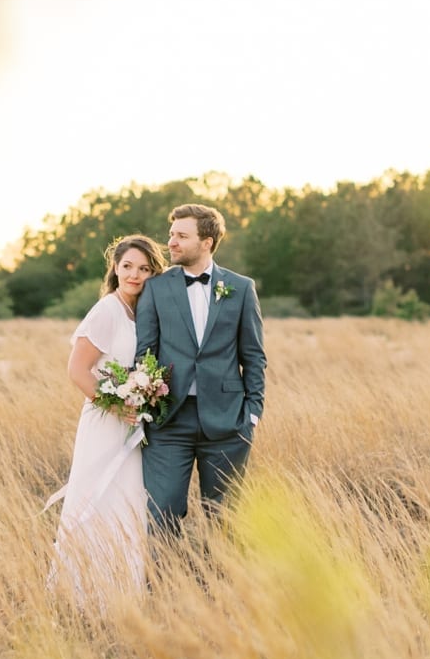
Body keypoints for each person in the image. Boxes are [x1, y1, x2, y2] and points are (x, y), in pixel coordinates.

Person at [45, 234, 168, 605]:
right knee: (96, 499)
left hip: (132, 422)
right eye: (127, 266)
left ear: (153, 273)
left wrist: (145, 392)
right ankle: (83, 594)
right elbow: (78, 369)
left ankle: (120, 594)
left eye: (144, 268)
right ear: (115, 268)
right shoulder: (108, 310)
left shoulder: (140, 311)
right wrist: (116, 404)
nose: (134, 275)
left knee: (126, 502)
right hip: (105, 422)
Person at [133, 203, 265, 538]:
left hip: (227, 422)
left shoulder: (241, 288)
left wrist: (252, 415)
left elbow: (253, 356)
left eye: (181, 235)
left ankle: (223, 588)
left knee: (225, 519)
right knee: (161, 514)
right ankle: (163, 588)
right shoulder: (156, 288)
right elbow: (145, 352)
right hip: (168, 422)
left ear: (206, 242)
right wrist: (147, 407)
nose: (171, 242)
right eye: (171, 234)